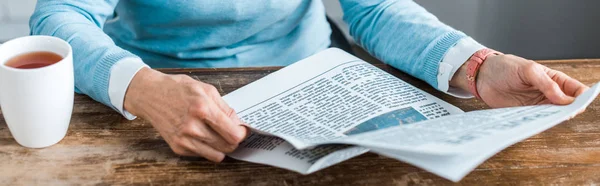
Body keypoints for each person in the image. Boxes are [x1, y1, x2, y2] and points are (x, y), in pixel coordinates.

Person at [30, 0, 588, 162]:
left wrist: (477, 64)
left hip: (315, 84)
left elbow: (374, 9)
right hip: (166, 96)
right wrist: (143, 89)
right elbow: (57, 18)